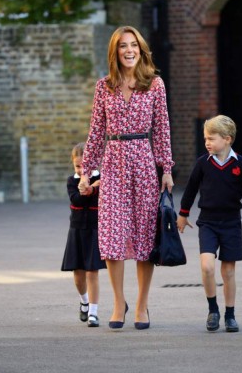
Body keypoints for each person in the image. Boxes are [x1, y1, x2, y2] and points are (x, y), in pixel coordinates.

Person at [79, 26, 175, 331]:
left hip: (144, 163)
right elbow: (95, 132)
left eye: (134, 45)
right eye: (123, 46)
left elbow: (161, 130)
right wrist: (85, 171)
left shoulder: (155, 84)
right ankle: (119, 302)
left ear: (141, 49)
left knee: (146, 237)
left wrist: (167, 168)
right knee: (112, 236)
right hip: (113, 164)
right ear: (115, 52)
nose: (129, 50)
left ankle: (143, 305)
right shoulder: (103, 86)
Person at [177, 115, 242, 332]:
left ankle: (230, 315)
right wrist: (183, 214)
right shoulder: (202, 163)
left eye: (211, 138)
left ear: (227, 139)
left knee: (228, 272)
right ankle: (213, 309)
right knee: (207, 267)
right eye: (205, 138)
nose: (207, 142)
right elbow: (190, 190)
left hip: (232, 222)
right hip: (208, 222)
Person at [60, 142, 106, 328]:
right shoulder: (72, 181)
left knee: (92, 271)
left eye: (85, 166)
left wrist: (94, 186)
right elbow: (76, 200)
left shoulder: (101, 178)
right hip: (77, 229)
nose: (81, 169)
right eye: (78, 166)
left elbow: (103, 195)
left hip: (95, 229)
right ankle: (84, 302)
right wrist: (86, 187)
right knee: (78, 273)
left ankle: (94, 312)